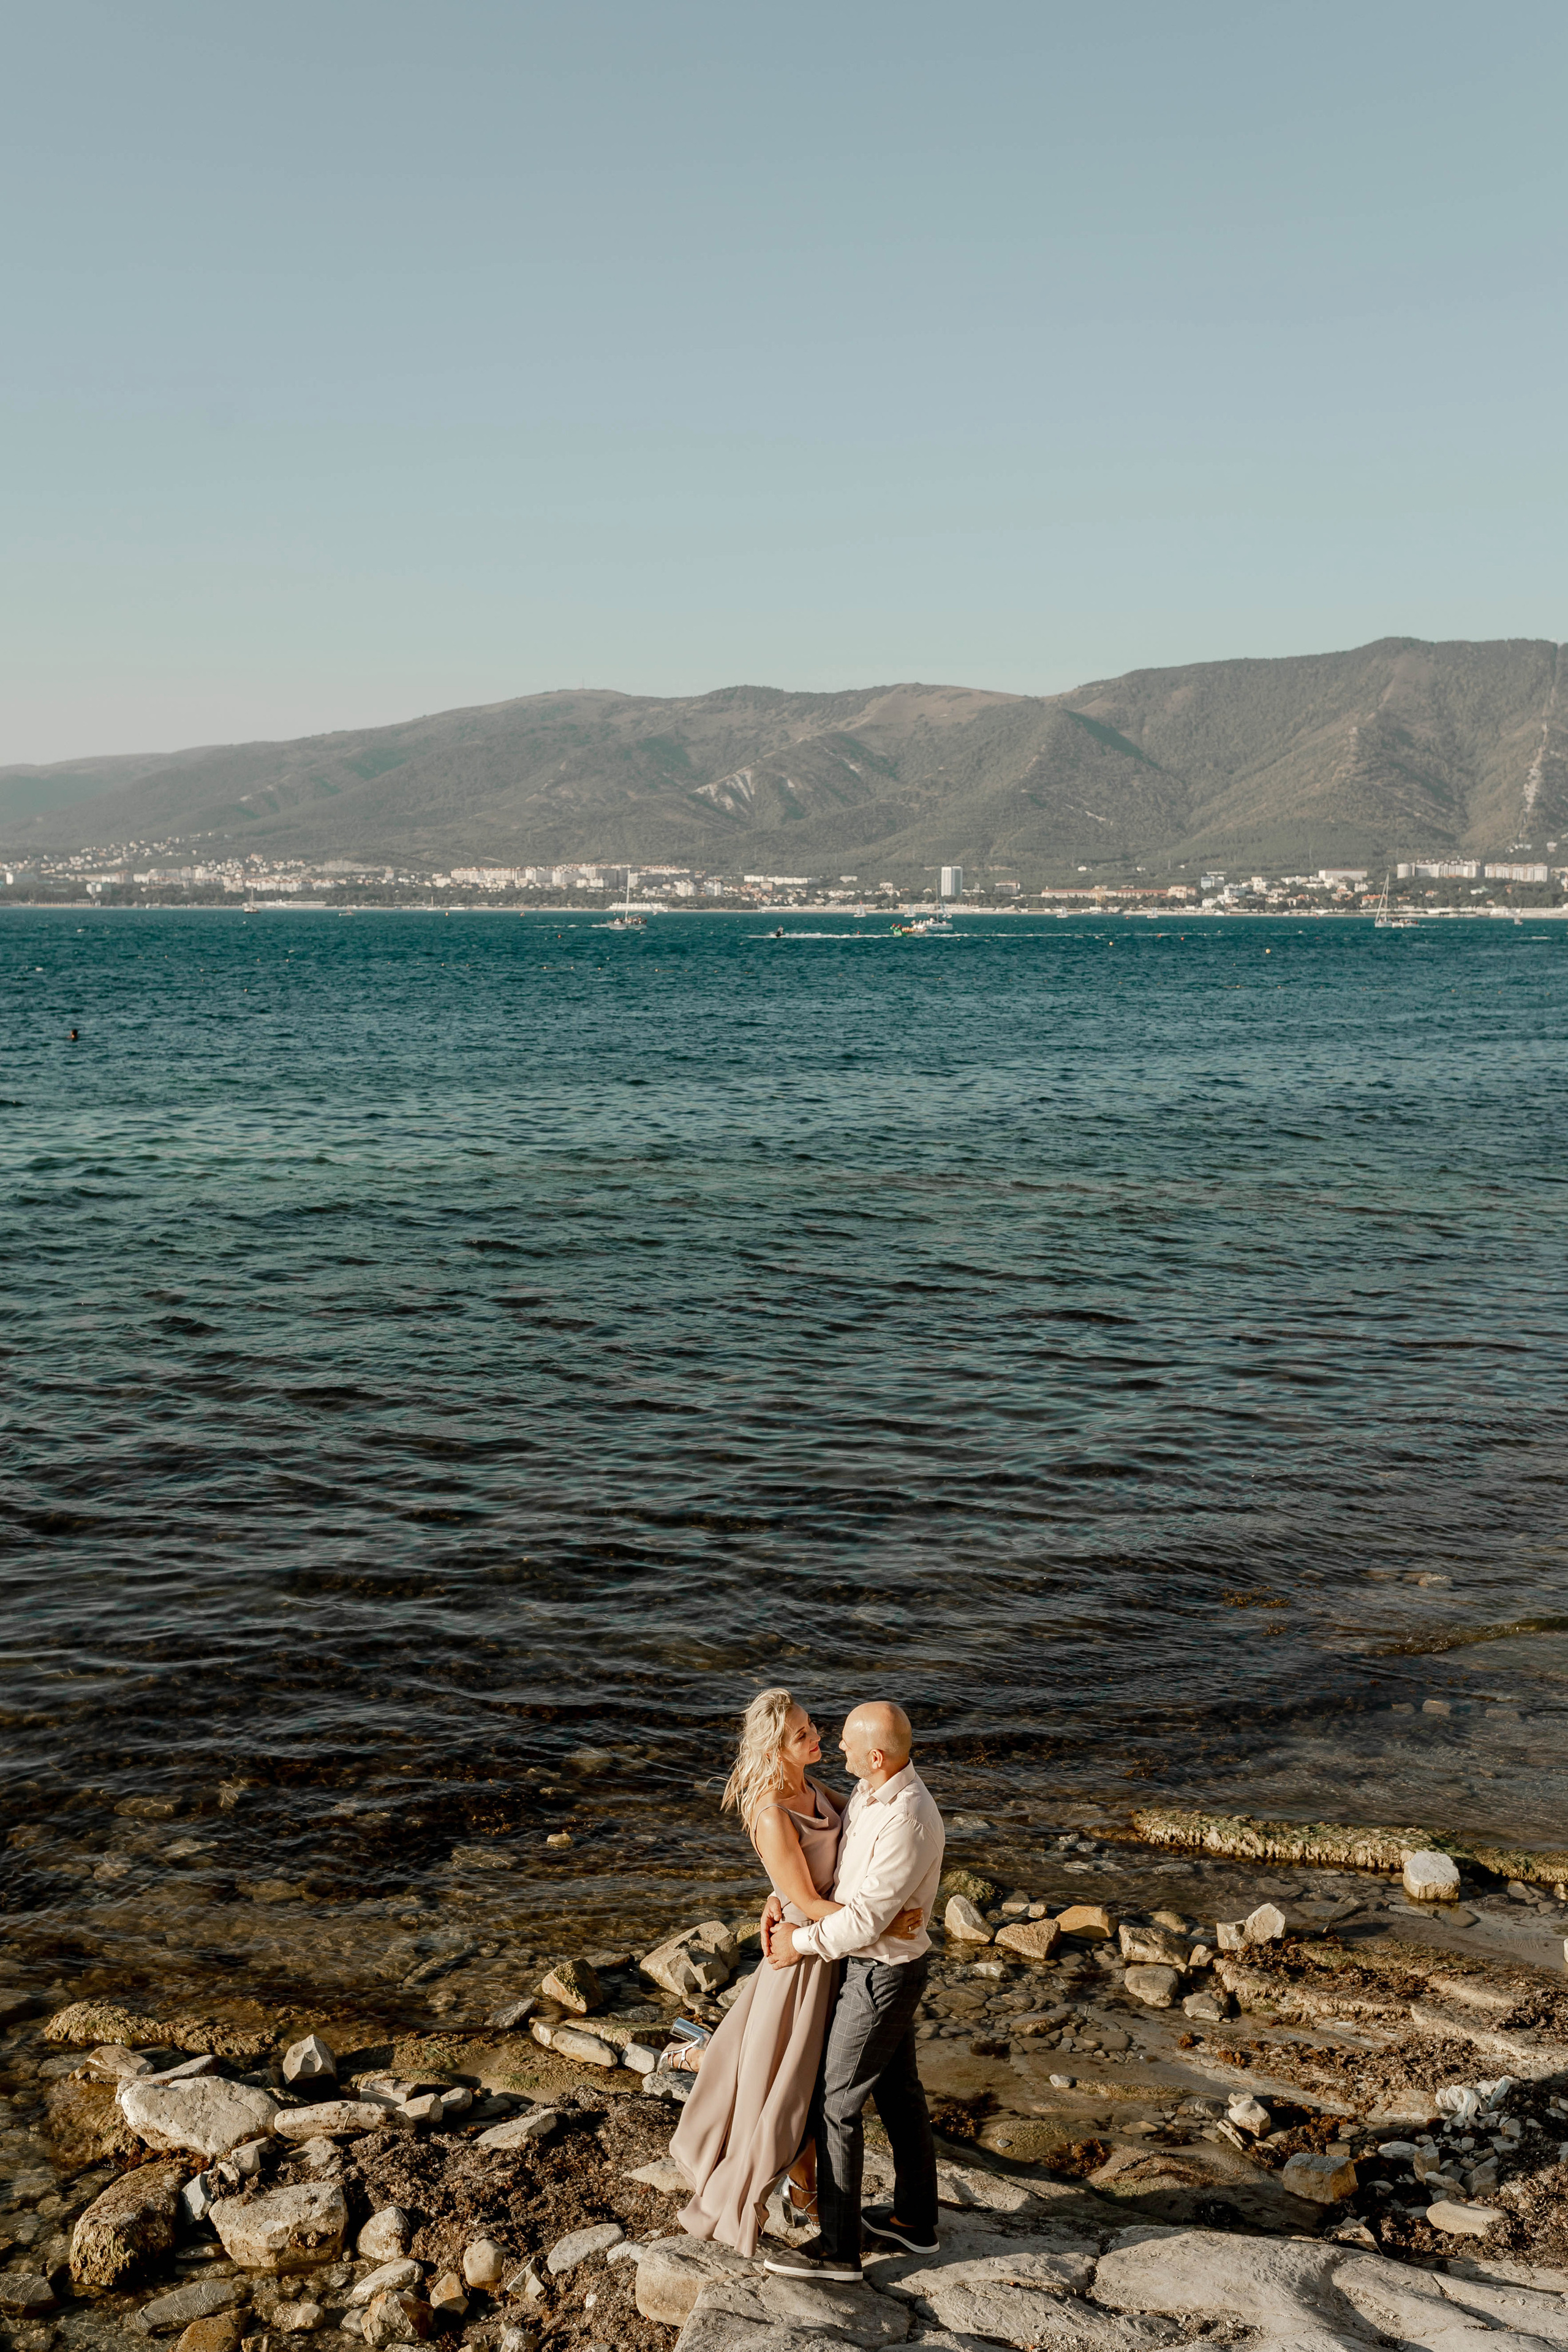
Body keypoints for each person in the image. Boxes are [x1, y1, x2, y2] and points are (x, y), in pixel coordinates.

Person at [669, 1689, 921, 2256]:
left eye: (813, 1726)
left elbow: (855, 1820)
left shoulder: (811, 1788)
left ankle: (805, 2189)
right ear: (776, 1749)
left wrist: (778, 1896)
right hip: (802, 1964)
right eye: (804, 1734)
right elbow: (806, 1898)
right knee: (789, 2087)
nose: (819, 1737)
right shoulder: (769, 1811)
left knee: (796, 2082)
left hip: (824, 1949)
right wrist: (880, 1923)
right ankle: (795, 2190)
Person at [759, 1699, 944, 2285]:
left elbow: (862, 1923)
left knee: (836, 2105)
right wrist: (780, 1895)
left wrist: (798, 1942)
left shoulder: (907, 1819)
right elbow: (820, 1853)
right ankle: (915, 2221)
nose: (833, 1748)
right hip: (879, 1966)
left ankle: (839, 2252)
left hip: (879, 1976)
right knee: (899, 2095)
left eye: (844, 1743)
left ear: (877, 1755)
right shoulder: (870, 1791)